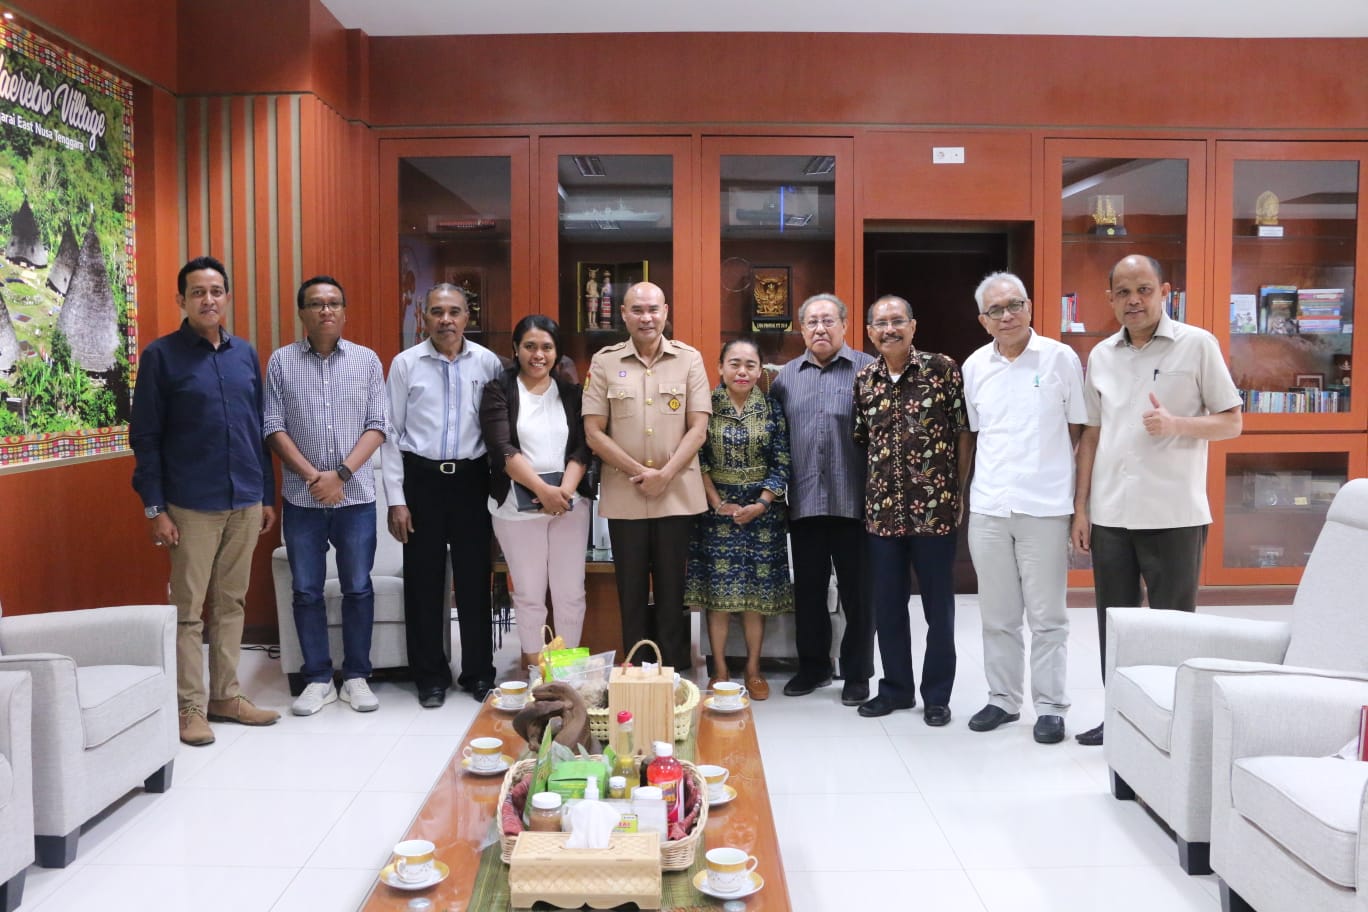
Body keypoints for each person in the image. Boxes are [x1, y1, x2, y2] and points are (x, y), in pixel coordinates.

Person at [1070, 254, 1242, 746]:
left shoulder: (1197, 345)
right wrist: (1082, 508)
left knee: (1173, 627)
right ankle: (1119, 718)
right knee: (1115, 626)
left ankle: (1174, 725)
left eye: (1144, 290)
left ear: (1165, 292)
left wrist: (1177, 424)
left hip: (1173, 513)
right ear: (1110, 299)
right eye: (1123, 292)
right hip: (1111, 514)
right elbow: (1091, 435)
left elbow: (1232, 421)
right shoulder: (1101, 355)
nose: (1134, 301)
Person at [130, 255, 280, 746]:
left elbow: (257, 429)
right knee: (189, 610)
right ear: (182, 300)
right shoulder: (161, 356)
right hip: (190, 504)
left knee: (231, 603)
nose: (208, 300)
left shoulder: (244, 354)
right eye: (198, 292)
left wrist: (265, 494)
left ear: (227, 297)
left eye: (216, 291)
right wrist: (156, 508)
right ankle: (189, 707)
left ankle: (226, 697)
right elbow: (145, 437)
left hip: (244, 499)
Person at [962, 272, 1086, 744]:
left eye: (1015, 305)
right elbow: (976, 433)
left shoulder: (1060, 358)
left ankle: (1051, 707)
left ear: (1030, 307)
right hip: (990, 505)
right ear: (983, 320)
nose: (1007, 315)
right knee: (997, 615)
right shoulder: (975, 366)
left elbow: (1078, 430)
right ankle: (1003, 700)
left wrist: (1078, 505)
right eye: (996, 310)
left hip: (1045, 506)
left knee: (1048, 616)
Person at [264, 276, 388, 716]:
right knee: (306, 590)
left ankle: (356, 676)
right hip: (302, 499)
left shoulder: (367, 360)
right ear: (302, 313)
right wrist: (314, 477)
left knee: (358, 587)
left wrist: (341, 474)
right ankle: (317, 679)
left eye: (334, 303)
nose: (326, 310)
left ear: (344, 311)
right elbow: (272, 427)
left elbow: (378, 425)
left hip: (356, 498)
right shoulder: (281, 362)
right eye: (316, 304)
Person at [381, 284, 503, 707]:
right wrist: (396, 499)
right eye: (436, 311)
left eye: (454, 311)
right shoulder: (405, 364)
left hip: (472, 480)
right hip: (422, 481)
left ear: (467, 317)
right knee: (423, 583)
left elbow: (498, 428)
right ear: (424, 317)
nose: (445, 319)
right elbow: (391, 434)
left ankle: (478, 673)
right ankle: (430, 677)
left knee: (475, 581)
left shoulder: (487, 363)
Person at [852, 294, 971, 723]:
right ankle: (896, 689)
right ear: (870, 332)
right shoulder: (864, 380)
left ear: (913, 326)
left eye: (897, 321)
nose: (890, 330)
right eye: (881, 323)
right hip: (882, 512)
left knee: (938, 608)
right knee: (887, 605)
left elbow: (963, 431)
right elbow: (862, 440)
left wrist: (957, 490)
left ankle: (937, 695)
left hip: (934, 510)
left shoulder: (942, 369)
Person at [583, 281, 710, 670]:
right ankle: (635, 676)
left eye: (653, 309)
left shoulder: (689, 359)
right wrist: (641, 472)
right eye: (637, 310)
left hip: (676, 495)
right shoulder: (604, 362)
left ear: (665, 312)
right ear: (623, 314)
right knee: (631, 593)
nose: (646, 318)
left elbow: (698, 428)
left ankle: (671, 677)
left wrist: (665, 474)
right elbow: (593, 432)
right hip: (627, 495)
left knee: (673, 594)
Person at [770, 293, 875, 705]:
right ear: (801, 329)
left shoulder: (868, 369)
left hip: (855, 503)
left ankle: (857, 673)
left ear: (845, 325)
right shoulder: (786, 378)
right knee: (809, 592)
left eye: (828, 320)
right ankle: (813, 667)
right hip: (806, 502)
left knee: (858, 595)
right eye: (812, 321)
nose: (820, 328)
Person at [479, 314, 593, 671]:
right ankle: (535, 671)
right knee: (529, 594)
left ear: (557, 353)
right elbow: (502, 448)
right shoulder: (498, 390)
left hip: (569, 506)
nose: (538, 354)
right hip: (516, 509)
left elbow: (583, 447)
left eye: (546, 347)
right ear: (516, 348)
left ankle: (566, 674)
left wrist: (563, 493)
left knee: (570, 593)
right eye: (530, 346)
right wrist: (544, 491)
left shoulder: (572, 393)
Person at [685, 338, 793, 700]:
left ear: (760, 370)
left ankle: (753, 669)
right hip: (716, 515)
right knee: (718, 597)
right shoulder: (705, 406)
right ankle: (719, 670)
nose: (742, 371)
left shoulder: (772, 409)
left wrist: (762, 503)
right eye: (734, 363)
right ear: (720, 368)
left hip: (763, 515)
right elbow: (698, 459)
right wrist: (717, 503)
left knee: (754, 599)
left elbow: (782, 461)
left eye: (750, 364)